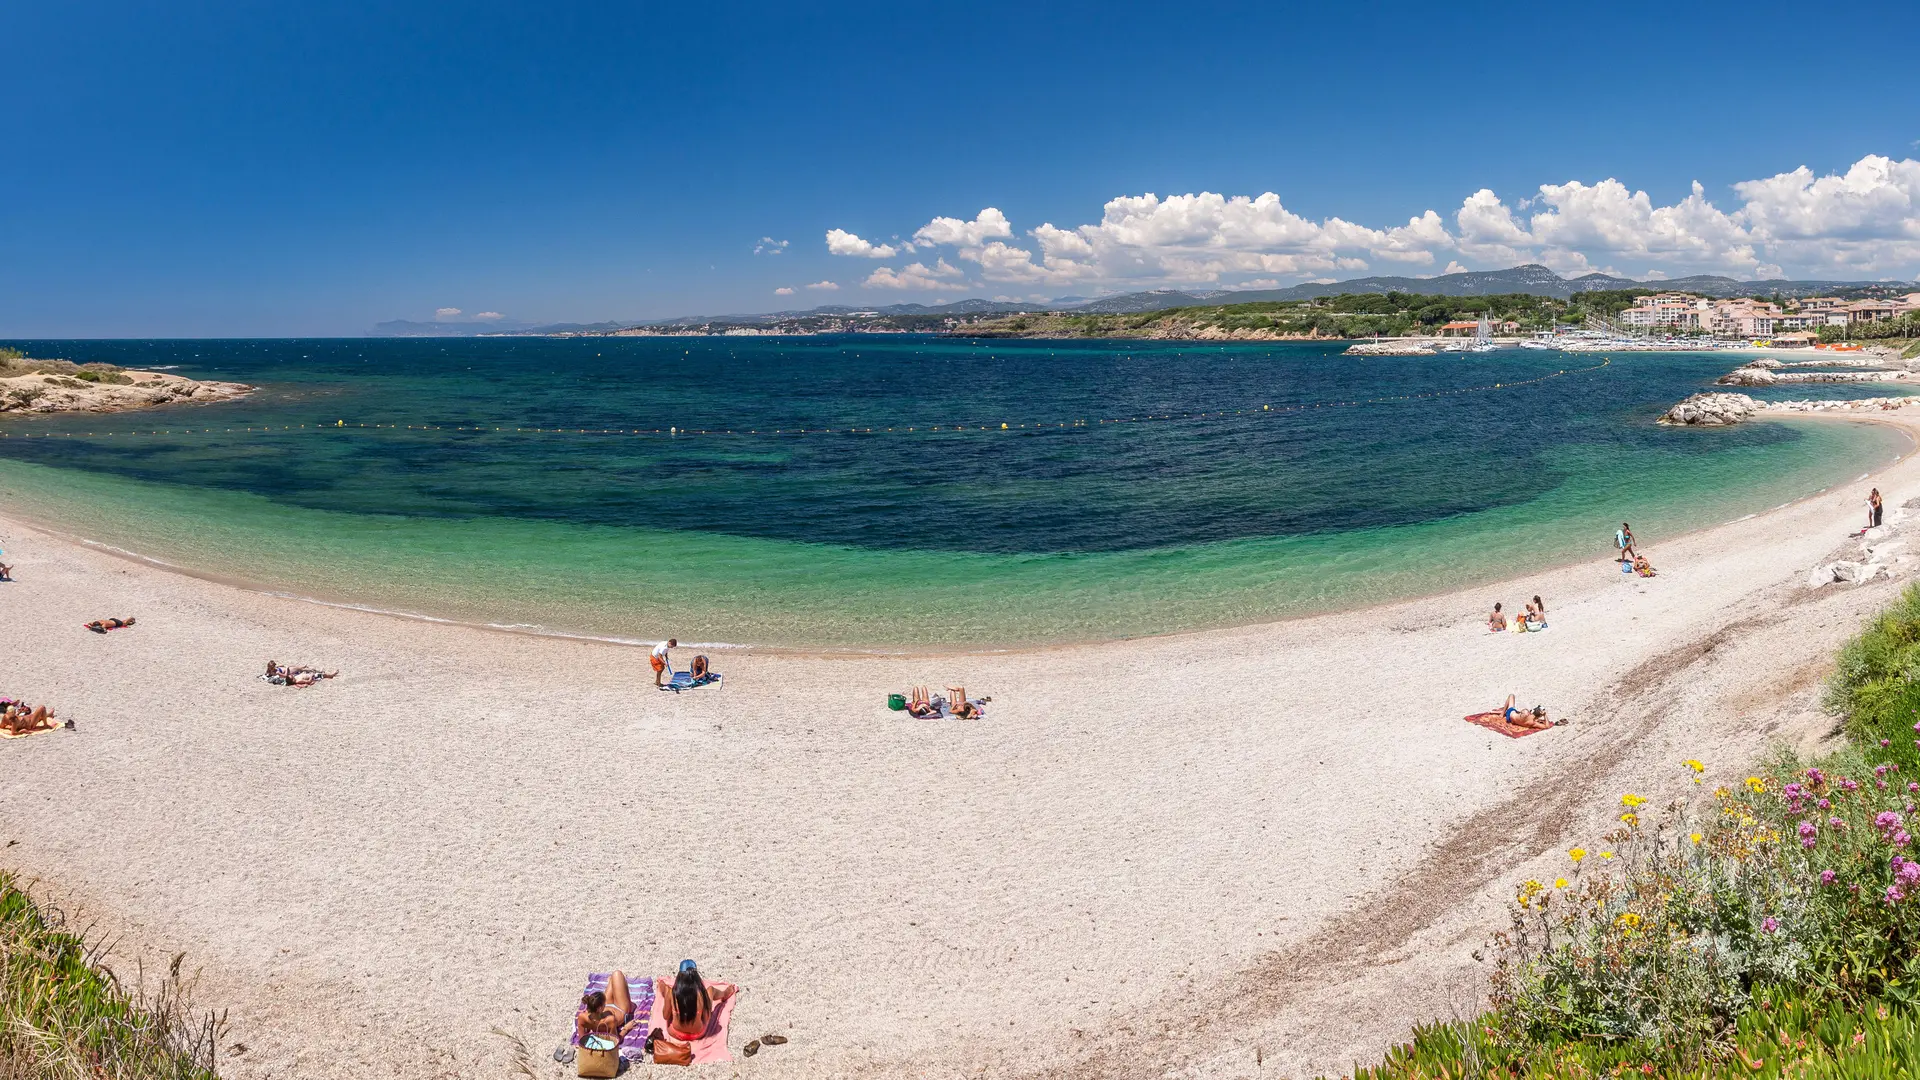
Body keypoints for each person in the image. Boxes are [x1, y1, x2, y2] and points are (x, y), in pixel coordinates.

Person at [655, 960, 737, 1043]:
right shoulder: (701, 995)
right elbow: (706, 1017)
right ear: (696, 978)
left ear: (679, 977)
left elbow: (665, 1016)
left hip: (675, 1033)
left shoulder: (672, 993)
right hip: (698, 1034)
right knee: (711, 990)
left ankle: (662, 986)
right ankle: (725, 993)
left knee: (667, 990)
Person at [575, 971, 641, 1048]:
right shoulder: (610, 1020)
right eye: (604, 1004)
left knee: (615, 977)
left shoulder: (582, 1017)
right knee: (617, 974)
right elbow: (615, 1041)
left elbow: (582, 1040)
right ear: (600, 1008)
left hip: (601, 1011)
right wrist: (626, 1028)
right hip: (620, 1008)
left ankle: (612, 981)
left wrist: (590, 1029)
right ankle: (615, 983)